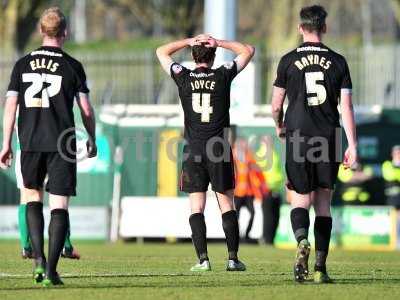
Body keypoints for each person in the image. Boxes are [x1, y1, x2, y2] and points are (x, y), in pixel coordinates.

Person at [0, 7, 96, 286]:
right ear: (65, 32)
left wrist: (5, 142)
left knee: (32, 198)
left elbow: (10, 106)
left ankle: (38, 261)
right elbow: (86, 109)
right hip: (62, 144)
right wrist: (90, 137)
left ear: (41, 31)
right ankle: (52, 270)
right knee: (59, 206)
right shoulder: (72, 65)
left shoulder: (22, 64)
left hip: (29, 141)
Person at [271, 5, 357, 283]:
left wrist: (279, 124)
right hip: (329, 136)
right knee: (323, 203)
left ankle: (300, 240)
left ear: (301, 28)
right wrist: (351, 144)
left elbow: (275, 104)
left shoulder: (287, 60)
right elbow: (346, 107)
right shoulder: (339, 62)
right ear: (325, 28)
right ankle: (320, 268)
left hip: (297, 134)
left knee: (299, 198)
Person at [156, 34, 254, 271]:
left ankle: (203, 260)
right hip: (218, 148)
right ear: (213, 56)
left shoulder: (184, 77)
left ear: (192, 56)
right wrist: (218, 42)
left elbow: (161, 51)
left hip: (194, 150)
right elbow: (248, 50)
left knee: (196, 208)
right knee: (227, 205)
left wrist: (189, 40)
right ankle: (232, 259)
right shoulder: (223, 74)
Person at [16, 147, 80, 260]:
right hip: (56, 147)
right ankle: (67, 246)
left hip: (27, 148)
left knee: (27, 197)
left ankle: (27, 248)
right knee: (59, 200)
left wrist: (6, 144)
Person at [256, 135, 284, 245]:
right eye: (267, 140)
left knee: (275, 216)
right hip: (267, 190)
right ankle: (267, 240)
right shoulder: (261, 155)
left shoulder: (272, 153)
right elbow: (257, 174)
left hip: (276, 189)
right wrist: (262, 187)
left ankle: (271, 240)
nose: (270, 142)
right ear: (262, 142)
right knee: (268, 217)